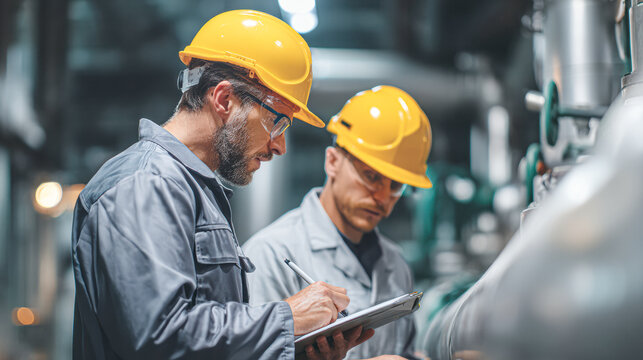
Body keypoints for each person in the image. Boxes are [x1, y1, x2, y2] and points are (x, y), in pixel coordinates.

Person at [71, 10, 374, 359]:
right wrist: (287, 317)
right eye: (278, 123)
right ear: (224, 99)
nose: (280, 145)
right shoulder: (146, 184)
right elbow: (159, 337)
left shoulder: (190, 190)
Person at [243, 86, 433, 360]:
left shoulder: (396, 265)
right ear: (332, 161)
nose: (382, 196)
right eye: (370, 176)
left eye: (396, 186)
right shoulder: (270, 254)